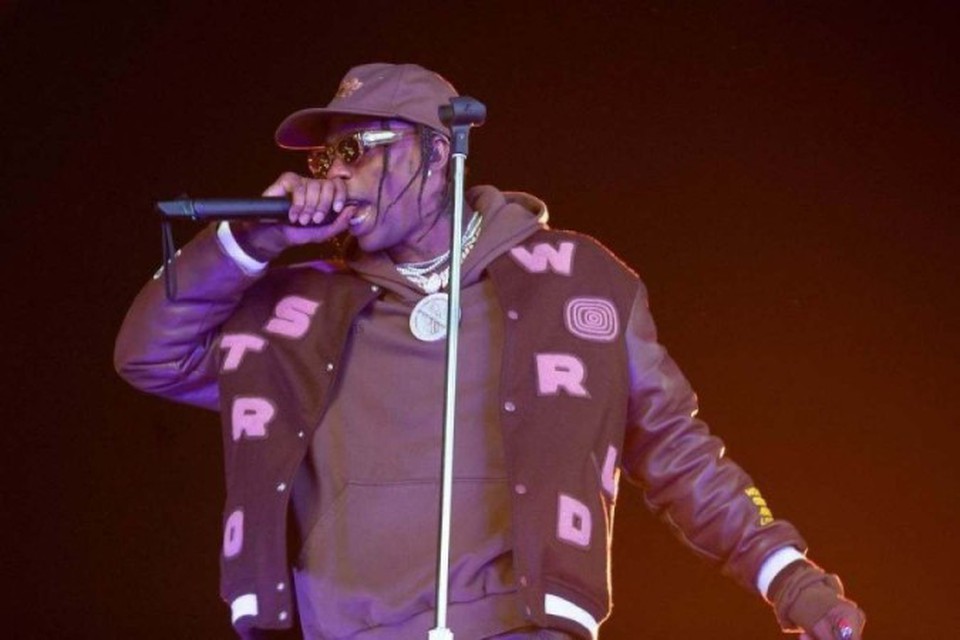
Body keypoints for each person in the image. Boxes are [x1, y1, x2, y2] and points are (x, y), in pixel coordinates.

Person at [115, 63, 866, 640]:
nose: (336, 172)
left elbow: (677, 450)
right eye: (325, 160)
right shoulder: (298, 308)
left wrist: (791, 578)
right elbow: (149, 355)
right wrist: (257, 240)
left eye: (359, 149)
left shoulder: (573, 285)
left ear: (438, 153)